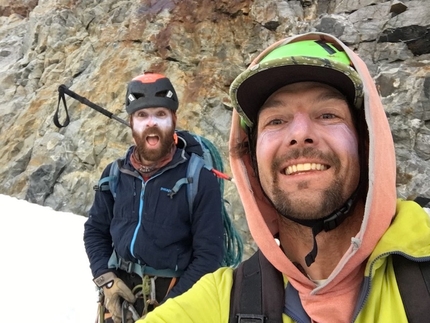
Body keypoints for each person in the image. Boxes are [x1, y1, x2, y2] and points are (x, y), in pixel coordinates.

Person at [137, 32, 430, 322]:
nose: (300, 135)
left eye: (328, 114)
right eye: (276, 121)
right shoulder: (222, 301)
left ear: (366, 141)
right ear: (251, 160)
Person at [83, 72, 224, 323]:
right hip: (119, 300)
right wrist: (105, 279)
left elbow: (209, 257)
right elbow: (95, 230)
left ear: (173, 119)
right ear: (131, 123)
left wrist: (170, 311)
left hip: (175, 300)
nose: (151, 123)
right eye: (142, 115)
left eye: (160, 114)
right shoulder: (115, 174)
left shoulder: (199, 179)